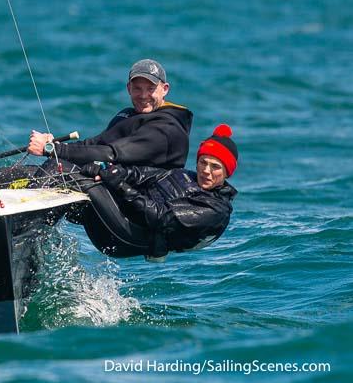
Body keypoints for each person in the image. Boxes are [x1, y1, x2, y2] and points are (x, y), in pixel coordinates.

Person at [80, 124, 238, 262]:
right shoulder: (182, 175)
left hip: (127, 237)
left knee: (85, 183)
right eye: (203, 162)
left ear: (226, 173)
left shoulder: (216, 210)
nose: (206, 171)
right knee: (80, 175)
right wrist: (107, 171)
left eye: (215, 167)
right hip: (119, 213)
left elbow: (160, 216)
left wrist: (119, 185)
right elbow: (139, 174)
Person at [27, 59, 193, 169]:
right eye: (137, 88)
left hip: (141, 207)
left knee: (55, 169)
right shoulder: (127, 115)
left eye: (150, 89)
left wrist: (51, 149)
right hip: (113, 188)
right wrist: (54, 144)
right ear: (128, 88)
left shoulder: (167, 128)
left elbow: (111, 153)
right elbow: (93, 145)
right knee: (43, 168)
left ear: (165, 89)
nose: (143, 96)